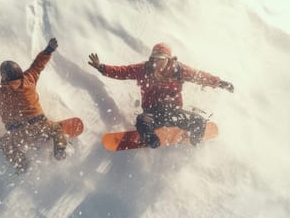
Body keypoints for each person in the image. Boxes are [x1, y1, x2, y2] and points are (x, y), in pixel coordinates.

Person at [87, 43, 234, 148]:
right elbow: (123, 72)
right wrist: (102, 68)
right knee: (142, 122)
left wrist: (220, 83)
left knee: (200, 122)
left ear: (168, 59)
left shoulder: (179, 70)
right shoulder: (144, 69)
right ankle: (152, 141)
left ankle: (193, 139)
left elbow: (200, 76)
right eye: (154, 58)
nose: (156, 61)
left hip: (174, 112)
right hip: (153, 113)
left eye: (160, 58)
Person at [0, 38, 67, 174]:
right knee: (56, 129)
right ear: (19, 71)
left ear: (3, 76)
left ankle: (21, 164)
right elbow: (38, 66)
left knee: (4, 144)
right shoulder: (29, 79)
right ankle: (60, 147)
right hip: (40, 125)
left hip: (18, 134)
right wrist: (49, 50)